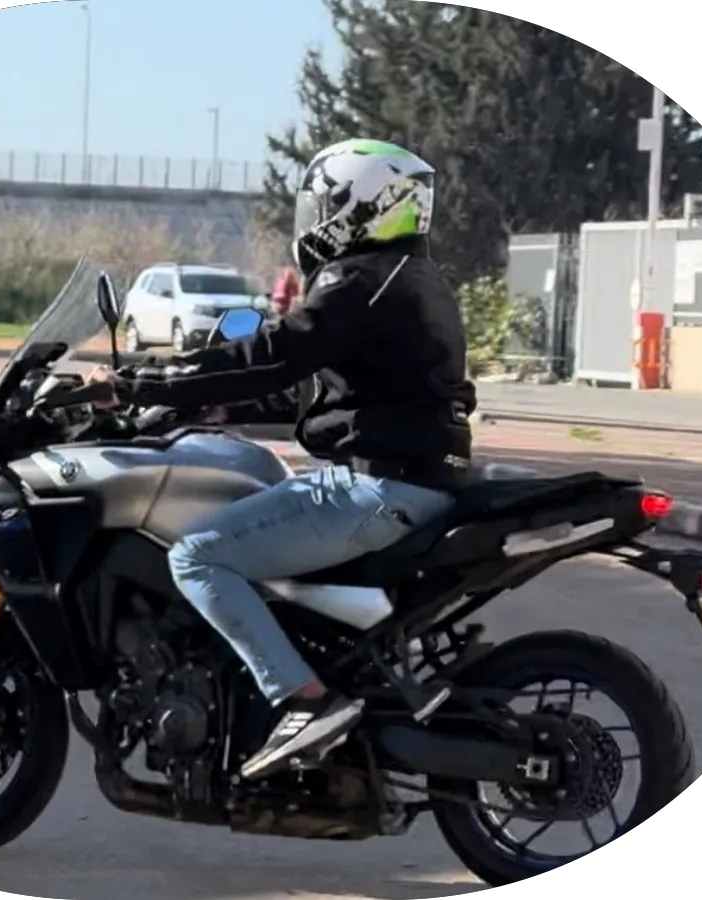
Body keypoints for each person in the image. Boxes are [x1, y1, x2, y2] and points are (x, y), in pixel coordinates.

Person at [88, 138, 478, 780]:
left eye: (324, 205)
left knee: (197, 555)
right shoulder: (412, 280)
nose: (315, 220)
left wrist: (138, 383)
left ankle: (304, 701)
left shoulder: (359, 280)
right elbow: (319, 386)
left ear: (354, 208)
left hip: (376, 489)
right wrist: (212, 404)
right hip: (416, 482)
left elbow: (275, 352)